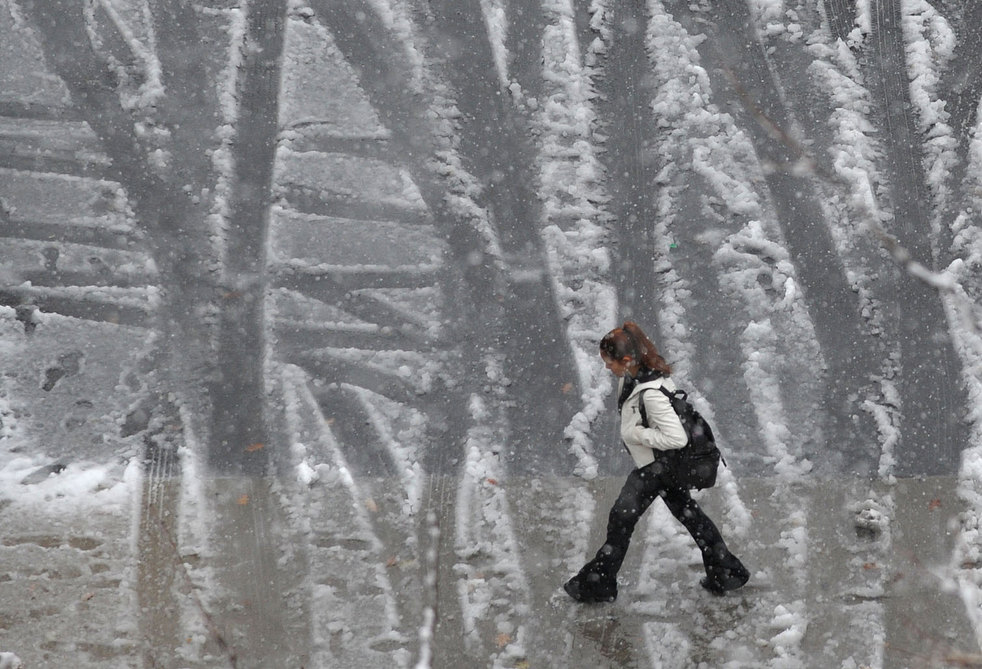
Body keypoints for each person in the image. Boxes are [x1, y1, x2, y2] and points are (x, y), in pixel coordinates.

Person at [564, 322, 749, 602]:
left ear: (627, 360)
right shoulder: (639, 377)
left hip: (657, 469)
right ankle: (726, 571)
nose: (606, 368)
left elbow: (676, 438)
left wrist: (636, 433)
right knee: (691, 517)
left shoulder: (650, 393)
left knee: (621, 519)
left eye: (609, 362)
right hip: (662, 467)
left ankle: (597, 584)